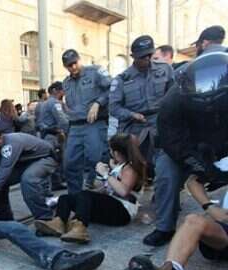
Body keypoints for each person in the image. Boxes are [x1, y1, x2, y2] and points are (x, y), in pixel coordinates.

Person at [143, 31, 227, 246]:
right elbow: (173, 142)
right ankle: (164, 227)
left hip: (223, 141)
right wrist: (202, 168)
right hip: (186, 143)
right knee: (166, 172)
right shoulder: (172, 101)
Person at [35, 133, 146, 243]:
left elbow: (123, 191)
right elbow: (109, 190)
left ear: (116, 152)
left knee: (85, 195)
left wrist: (105, 174)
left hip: (123, 212)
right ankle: (58, 223)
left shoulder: (130, 168)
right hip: (113, 206)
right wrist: (95, 193)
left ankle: (80, 228)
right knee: (66, 198)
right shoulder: (119, 166)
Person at [109, 35, 174, 172]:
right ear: (133, 57)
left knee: (164, 163)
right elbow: (114, 107)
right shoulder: (122, 79)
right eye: (143, 56)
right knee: (138, 166)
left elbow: (174, 95)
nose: (147, 59)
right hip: (136, 127)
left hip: (161, 122)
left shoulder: (165, 70)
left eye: (149, 55)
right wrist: (132, 115)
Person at [61, 49, 112, 193]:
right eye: (69, 65)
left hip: (94, 124)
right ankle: (75, 198)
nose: (73, 67)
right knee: (70, 164)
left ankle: (107, 194)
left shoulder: (95, 72)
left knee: (97, 161)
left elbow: (112, 88)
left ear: (79, 60)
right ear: (65, 67)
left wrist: (98, 103)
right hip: (75, 127)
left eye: (75, 63)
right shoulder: (66, 83)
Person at [0, 128, 56, 221]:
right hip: (24, 163)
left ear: (0, 139)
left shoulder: (11, 143)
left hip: (44, 159)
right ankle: (4, 217)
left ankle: (45, 217)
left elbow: (4, 171)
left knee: (28, 179)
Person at [36, 81, 69, 191]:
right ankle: (51, 185)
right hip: (53, 135)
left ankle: (55, 182)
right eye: (62, 90)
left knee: (52, 159)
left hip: (47, 134)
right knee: (55, 159)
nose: (63, 93)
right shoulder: (54, 103)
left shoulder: (44, 103)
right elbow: (62, 120)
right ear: (55, 90)